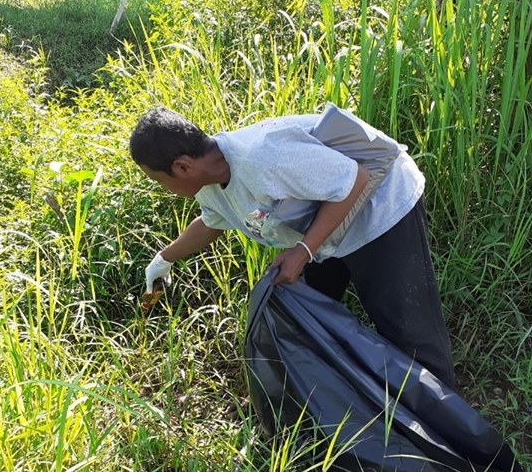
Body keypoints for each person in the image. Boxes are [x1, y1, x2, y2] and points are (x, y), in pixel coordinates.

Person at [129, 106, 456, 389]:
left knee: (407, 328)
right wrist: (164, 259)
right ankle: (347, 397)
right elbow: (212, 222)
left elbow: (355, 179)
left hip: (380, 206)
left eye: (159, 181)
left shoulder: (261, 158)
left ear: (182, 167)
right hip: (323, 224)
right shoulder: (209, 182)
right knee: (302, 315)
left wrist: (303, 251)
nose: (164, 189)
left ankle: (451, 432)